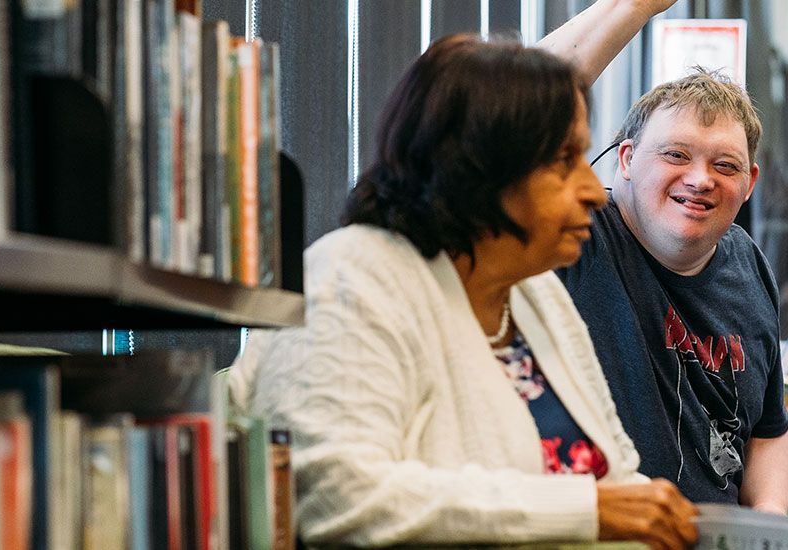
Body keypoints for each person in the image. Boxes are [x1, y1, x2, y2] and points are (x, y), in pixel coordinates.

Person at [225, 10, 699, 548]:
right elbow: (336, 496)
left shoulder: (534, 291)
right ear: (481, 170)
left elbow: (614, 474)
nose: (594, 189)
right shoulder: (349, 281)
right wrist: (586, 510)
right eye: (565, 160)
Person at [559, 69, 788, 514]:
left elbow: (768, 429)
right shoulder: (577, 239)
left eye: (726, 165)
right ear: (626, 159)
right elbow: (509, 120)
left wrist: (770, 527)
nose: (701, 179)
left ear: (750, 183)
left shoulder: (748, 263)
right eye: (676, 155)